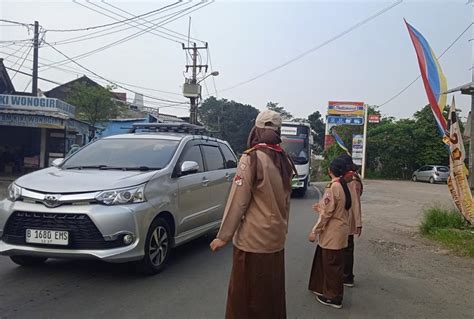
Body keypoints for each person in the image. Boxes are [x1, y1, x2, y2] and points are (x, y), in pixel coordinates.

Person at [210, 110, 295, 319]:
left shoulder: (251, 158)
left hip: (252, 241)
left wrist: (223, 236)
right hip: (275, 239)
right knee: (270, 294)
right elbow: (286, 203)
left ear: (256, 129)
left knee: (244, 296)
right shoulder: (284, 159)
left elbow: (238, 202)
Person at [308, 157, 351, 309]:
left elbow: (327, 213)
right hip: (340, 231)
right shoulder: (343, 185)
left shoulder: (333, 187)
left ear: (330, 171)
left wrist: (315, 231)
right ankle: (331, 292)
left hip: (333, 233)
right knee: (335, 264)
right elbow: (336, 208)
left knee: (332, 266)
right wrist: (322, 208)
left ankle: (333, 297)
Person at [338, 154, 363, 287]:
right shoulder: (348, 177)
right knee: (345, 247)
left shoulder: (352, 180)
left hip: (349, 218)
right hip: (345, 216)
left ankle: (347, 276)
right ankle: (345, 274)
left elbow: (356, 203)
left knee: (347, 248)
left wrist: (358, 223)